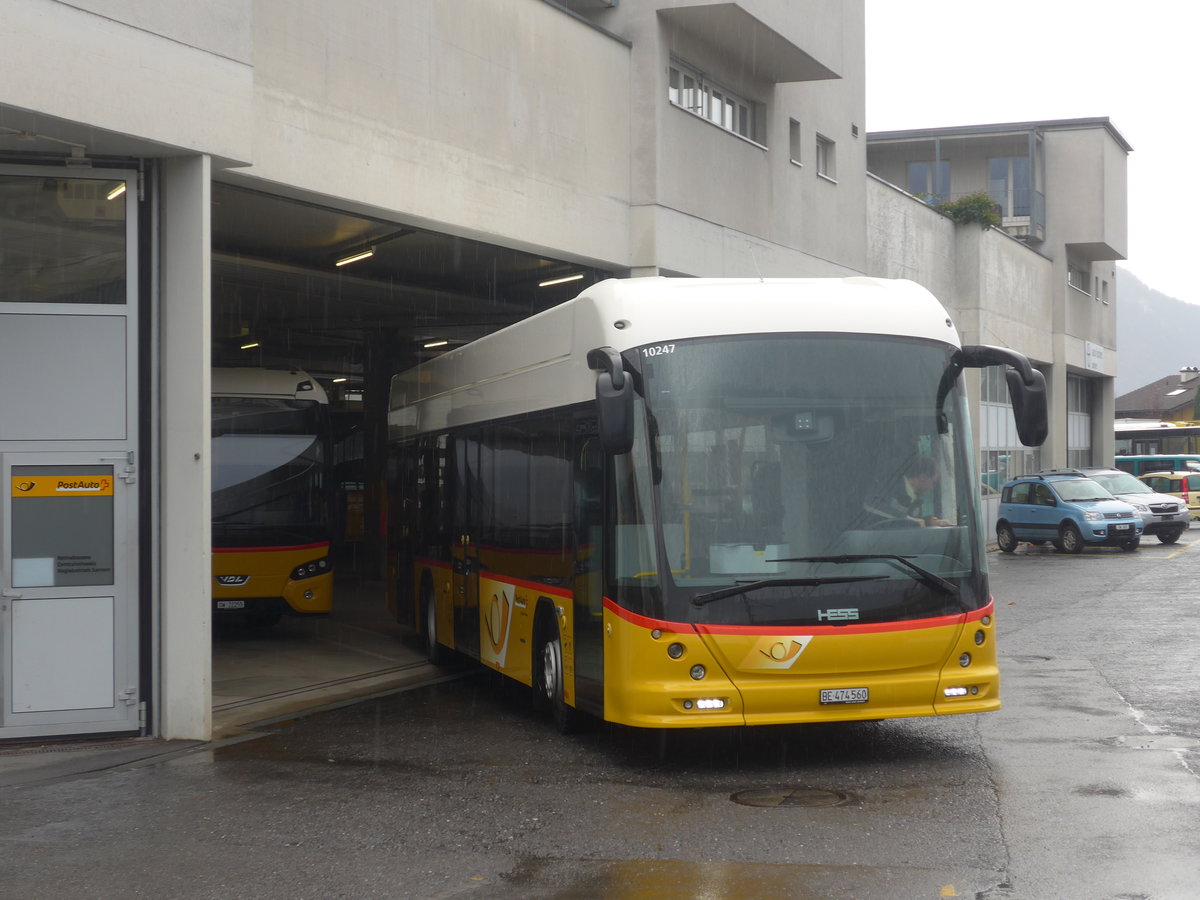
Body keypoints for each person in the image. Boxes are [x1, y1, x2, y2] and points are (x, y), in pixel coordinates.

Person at [862, 456, 951, 527]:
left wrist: (933, 522)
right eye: (933, 482)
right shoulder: (890, 485)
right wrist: (906, 519)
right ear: (923, 477)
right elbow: (870, 503)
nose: (932, 488)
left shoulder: (914, 500)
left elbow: (913, 521)